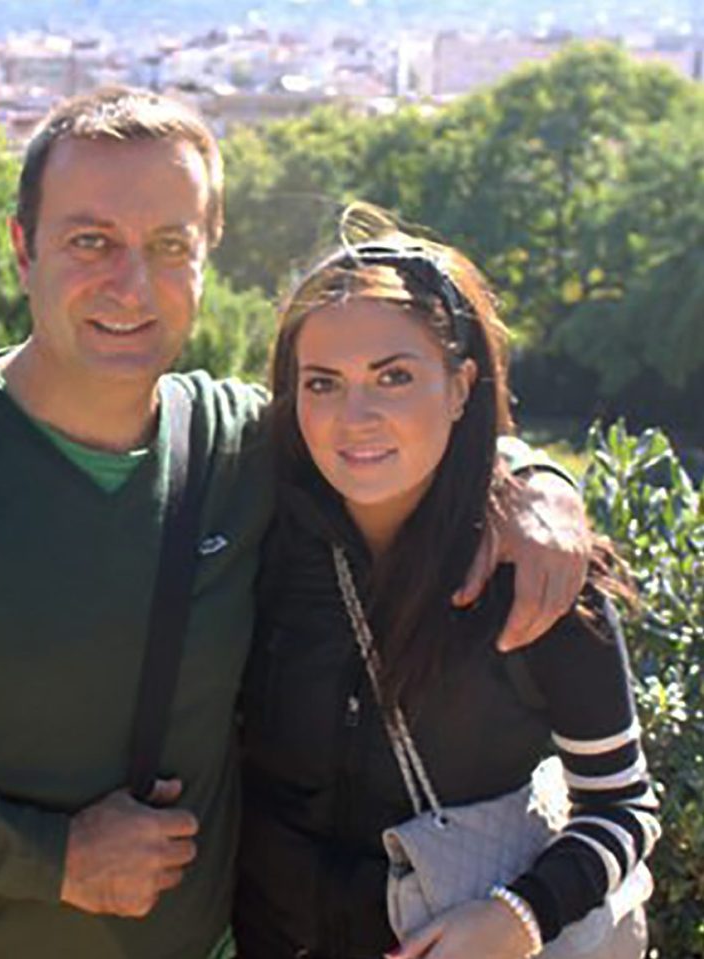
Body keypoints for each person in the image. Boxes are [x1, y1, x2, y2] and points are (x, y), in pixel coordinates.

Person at [0, 89, 588, 958]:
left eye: (170, 245)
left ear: (208, 259)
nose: (131, 285)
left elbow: (390, 434)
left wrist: (533, 481)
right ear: (22, 249)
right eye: (90, 240)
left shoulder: (239, 446)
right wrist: (54, 858)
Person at [235, 213, 660, 959]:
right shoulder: (261, 530)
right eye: (323, 383)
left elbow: (623, 804)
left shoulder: (536, 574)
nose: (355, 417)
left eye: (394, 376)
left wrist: (518, 916)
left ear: (462, 385)